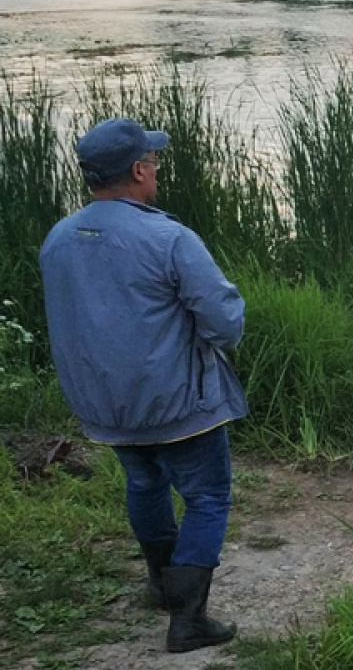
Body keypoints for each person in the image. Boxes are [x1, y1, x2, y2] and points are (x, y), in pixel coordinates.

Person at [39, 118, 242, 653]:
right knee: (207, 495)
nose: (156, 169)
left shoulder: (58, 238)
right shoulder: (168, 236)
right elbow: (224, 321)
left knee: (145, 483)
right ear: (137, 170)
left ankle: (160, 583)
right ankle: (189, 619)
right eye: (152, 161)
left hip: (105, 407)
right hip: (177, 404)